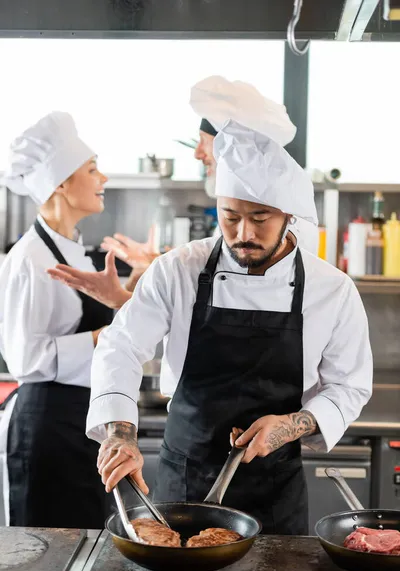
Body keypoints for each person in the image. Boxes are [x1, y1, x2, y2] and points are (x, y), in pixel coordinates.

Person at [87, 100, 373, 534]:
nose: (243, 234)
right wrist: (120, 432)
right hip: (183, 481)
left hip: (276, 490)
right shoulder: (178, 270)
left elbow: (349, 386)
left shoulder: (331, 289)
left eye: (260, 218)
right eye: (230, 217)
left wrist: (291, 425)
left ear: (288, 214)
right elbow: (121, 345)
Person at [48, 76, 319, 309]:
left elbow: (228, 306)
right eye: (232, 217)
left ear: (234, 149)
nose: (197, 154)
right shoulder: (256, 222)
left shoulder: (283, 231)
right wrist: (161, 267)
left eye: (204, 142)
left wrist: (123, 297)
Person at [0, 112, 114, 528]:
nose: (103, 178)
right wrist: (102, 337)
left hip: (79, 421)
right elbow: (25, 359)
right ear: (61, 184)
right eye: (92, 169)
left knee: (84, 547)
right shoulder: (31, 257)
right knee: (46, 558)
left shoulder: (72, 250)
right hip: (46, 426)